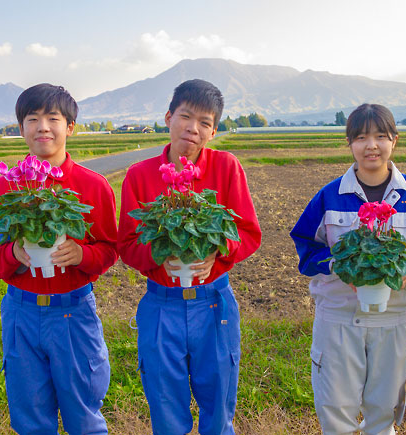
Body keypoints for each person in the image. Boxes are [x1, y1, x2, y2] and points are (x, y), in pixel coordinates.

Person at [117, 79, 261, 435]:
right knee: (166, 409)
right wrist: (156, 258)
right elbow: (127, 244)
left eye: (206, 123)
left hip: (213, 302)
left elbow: (249, 232)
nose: (193, 128)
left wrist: (218, 253)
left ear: (213, 131)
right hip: (161, 302)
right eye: (186, 116)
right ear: (169, 117)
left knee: (218, 409)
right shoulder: (139, 175)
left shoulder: (226, 168)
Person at [290, 103, 406, 434]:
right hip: (338, 319)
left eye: (380, 136)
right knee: (335, 411)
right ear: (350, 144)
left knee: (384, 412)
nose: (371, 145)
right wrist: (339, 265)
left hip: (392, 319)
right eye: (360, 137)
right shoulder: (331, 195)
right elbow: (306, 246)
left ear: (394, 141)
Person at [0, 84, 118, 434]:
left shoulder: (92, 185)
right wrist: (11, 253)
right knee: (30, 418)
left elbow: (109, 248)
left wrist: (82, 254)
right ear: (21, 128)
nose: (43, 126)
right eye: (32, 118)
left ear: (69, 127)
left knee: (84, 416)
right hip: (21, 311)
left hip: (72, 311)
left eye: (53, 118)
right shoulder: (2, 189)